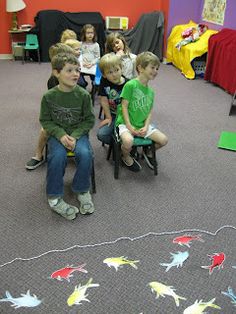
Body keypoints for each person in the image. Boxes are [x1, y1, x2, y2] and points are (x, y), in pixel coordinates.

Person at [39, 53, 95, 220]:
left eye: (77, 70)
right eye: (69, 70)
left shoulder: (84, 95)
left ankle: (81, 189)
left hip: (78, 133)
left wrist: (76, 136)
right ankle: (54, 197)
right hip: (57, 135)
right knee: (57, 156)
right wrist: (61, 135)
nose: (75, 74)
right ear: (56, 73)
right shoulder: (48, 97)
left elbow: (89, 120)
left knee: (85, 154)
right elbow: (45, 121)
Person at [115, 51, 168, 172]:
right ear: (140, 68)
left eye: (157, 68)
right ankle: (126, 156)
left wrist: (146, 126)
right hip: (125, 123)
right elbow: (123, 107)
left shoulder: (151, 92)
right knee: (128, 142)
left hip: (142, 125)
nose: (155, 71)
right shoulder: (130, 85)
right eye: (152, 67)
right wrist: (129, 126)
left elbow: (149, 112)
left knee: (163, 140)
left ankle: (148, 152)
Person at [25, 43, 75, 170]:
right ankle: (38, 155)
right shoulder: (53, 80)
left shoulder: (75, 76)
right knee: (44, 130)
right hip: (58, 114)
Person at [97, 53, 128, 145]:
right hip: (114, 116)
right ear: (104, 75)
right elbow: (103, 100)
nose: (114, 74)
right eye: (110, 72)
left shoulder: (129, 84)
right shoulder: (104, 82)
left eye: (117, 70)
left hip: (127, 117)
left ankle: (125, 145)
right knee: (101, 134)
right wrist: (108, 117)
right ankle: (119, 146)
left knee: (127, 135)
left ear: (121, 68)